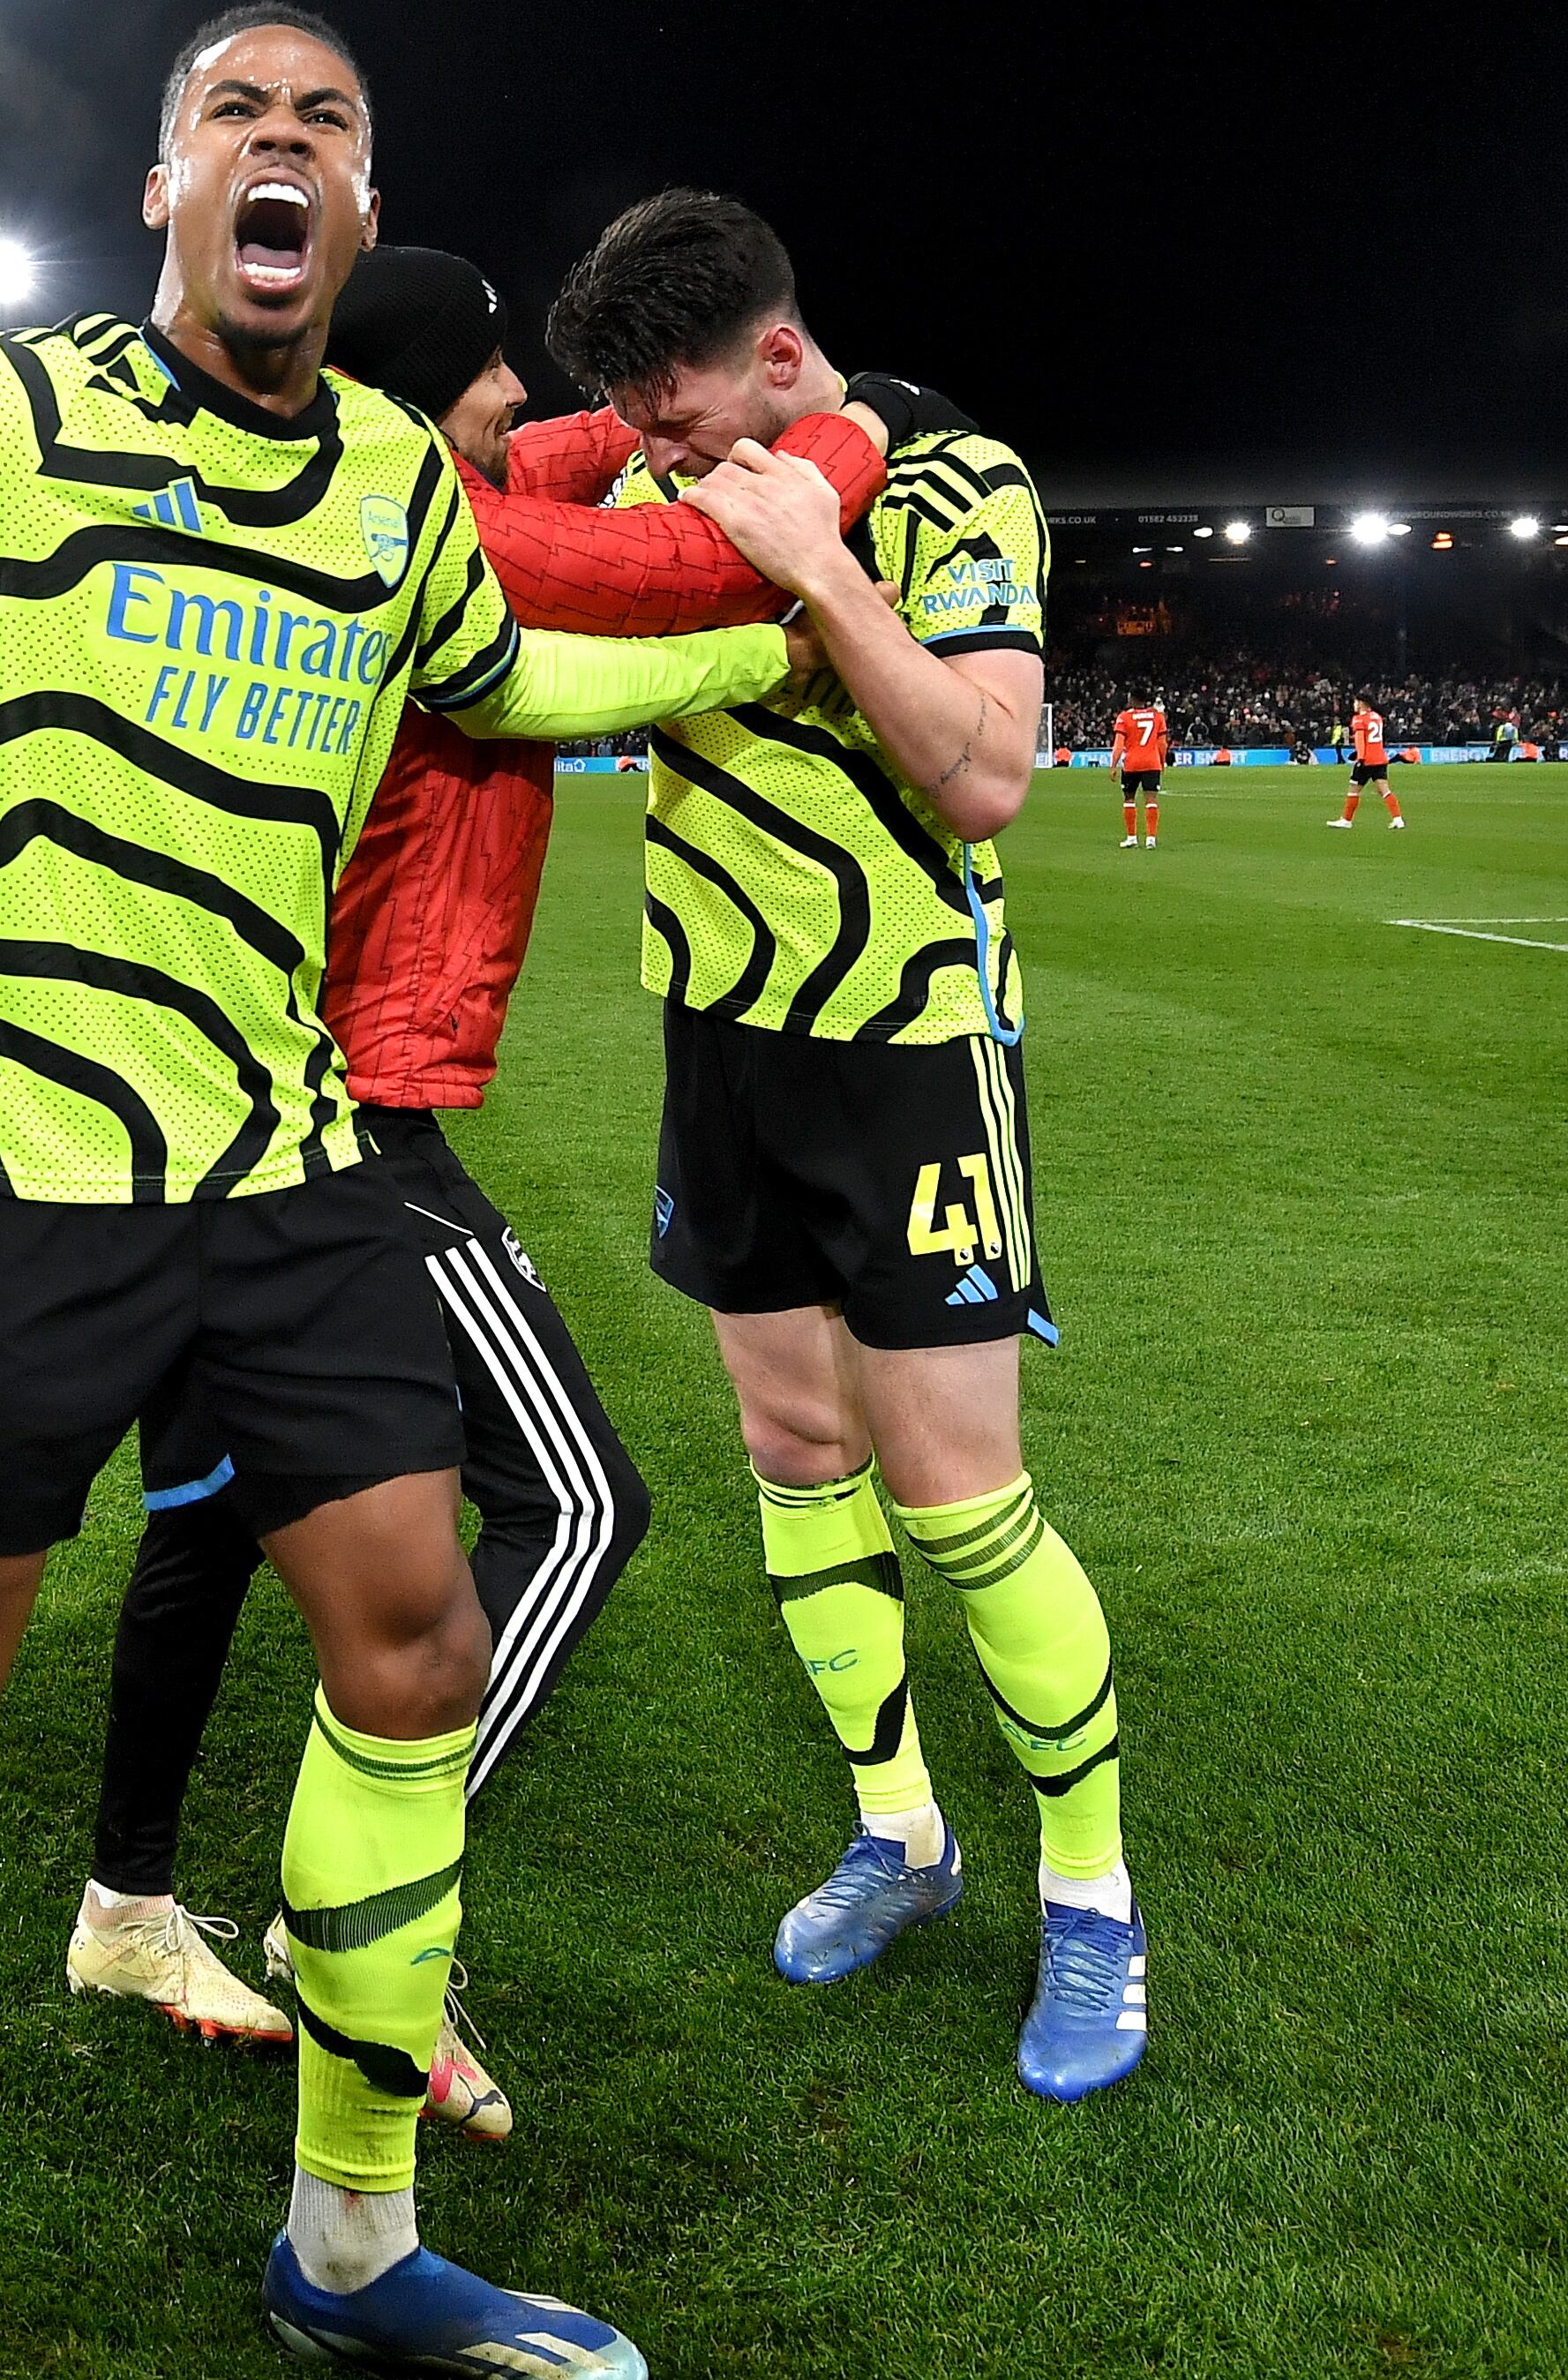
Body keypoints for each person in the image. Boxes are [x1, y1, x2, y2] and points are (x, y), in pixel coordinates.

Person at [0, 0, 833, 2380]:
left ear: (355, 210)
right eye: (230, 113)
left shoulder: (385, 477)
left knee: (407, 1646)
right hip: (15, 1175)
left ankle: (343, 2241)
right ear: (164, 188)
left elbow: (517, 681)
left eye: (322, 124)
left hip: (287, 1168)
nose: (277, 144)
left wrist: (787, 603)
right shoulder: (3, 408)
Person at [58, 247, 883, 2128]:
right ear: (413, 396)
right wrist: (832, 443)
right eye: (489, 371)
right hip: (343, 1110)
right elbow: (671, 572)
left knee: (199, 1508)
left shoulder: (370, 490)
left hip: (215, 1097)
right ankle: (347, 1910)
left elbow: (572, 457)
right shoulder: (411, 536)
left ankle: (121, 1900)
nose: (521, 400)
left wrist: (691, 401)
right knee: (578, 1506)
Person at [546, 184, 1148, 2103]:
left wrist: (822, 566)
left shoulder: (957, 479)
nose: (660, 457)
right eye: (632, 426)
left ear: (780, 358)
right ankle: (899, 1829)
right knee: (789, 1450)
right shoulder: (654, 493)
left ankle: (1091, 1895)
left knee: (960, 1497)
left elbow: (982, 781)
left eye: (680, 412)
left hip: (905, 1046)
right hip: (717, 1036)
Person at [1333, 696, 1400, 827]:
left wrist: (1360, 757)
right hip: (1380, 758)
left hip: (1367, 760)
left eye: (1355, 702)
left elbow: (1360, 740)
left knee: (1353, 789)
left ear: (1361, 704)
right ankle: (1398, 819)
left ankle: (1346, 820)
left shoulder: (1358, 719)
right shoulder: (1377, 717)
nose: (1354, 704)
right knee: (1384, 790)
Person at [1113, 691, 1168, 845]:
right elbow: (1162, 744)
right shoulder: (1157, 717)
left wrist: (1113, 765)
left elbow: (1118, 745)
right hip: (1152, 763)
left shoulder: (1124, 717)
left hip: (1132, 764)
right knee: (1151, 799)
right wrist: (1162, 762)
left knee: (1129, 798)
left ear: (1131, 699)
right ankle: (1151, 838)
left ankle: (1131, 838)